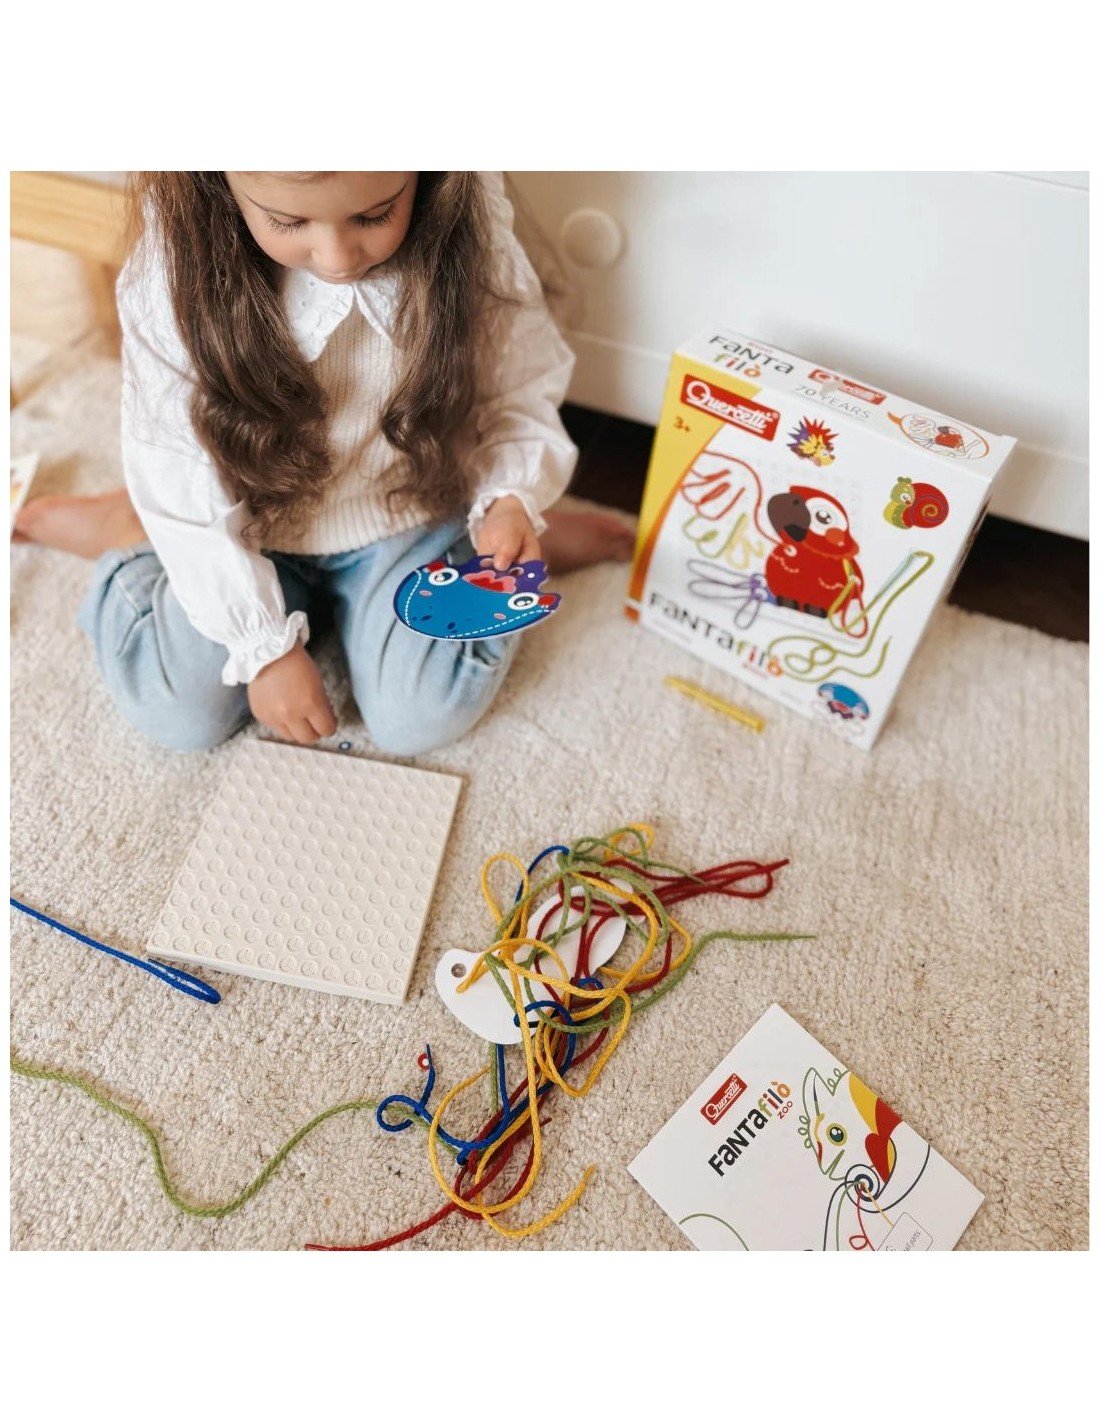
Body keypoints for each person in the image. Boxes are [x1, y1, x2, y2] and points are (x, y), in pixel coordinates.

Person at [15, 171, 633, 753]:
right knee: (179, 714)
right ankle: (135, 531)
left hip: (408, 511)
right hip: (247, 522)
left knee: (420, 717)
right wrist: (263, 648)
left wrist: (509, 495)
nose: (339, 259)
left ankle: (498, 536)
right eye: (289, 222)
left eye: (376, 214)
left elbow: (516, 385)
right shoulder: (174, 262)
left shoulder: (465, 214)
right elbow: (175, 462)